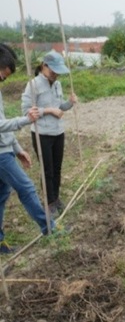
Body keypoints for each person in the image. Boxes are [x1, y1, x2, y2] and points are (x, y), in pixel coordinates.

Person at [0, 44, 57, 253]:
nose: (3, 80)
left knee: (1, 195)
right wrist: (25, 120)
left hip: (5, 150)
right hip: (0, 155)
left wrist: (16, 148)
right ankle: (50, 228)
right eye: (2, 75)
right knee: (26, 187)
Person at [21, 50, 77, 215]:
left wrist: (70, 103)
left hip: (58, 132)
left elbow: (60, 107)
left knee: (57, 167)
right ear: (44, 66)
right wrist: (49, 110)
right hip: (42, 134)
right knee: (47, 169)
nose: (55, 75)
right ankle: (49, 201)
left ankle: (56, 198)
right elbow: (26, 110)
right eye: (53, 71)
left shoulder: (57, 84)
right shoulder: (34, 85)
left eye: (58, 72)